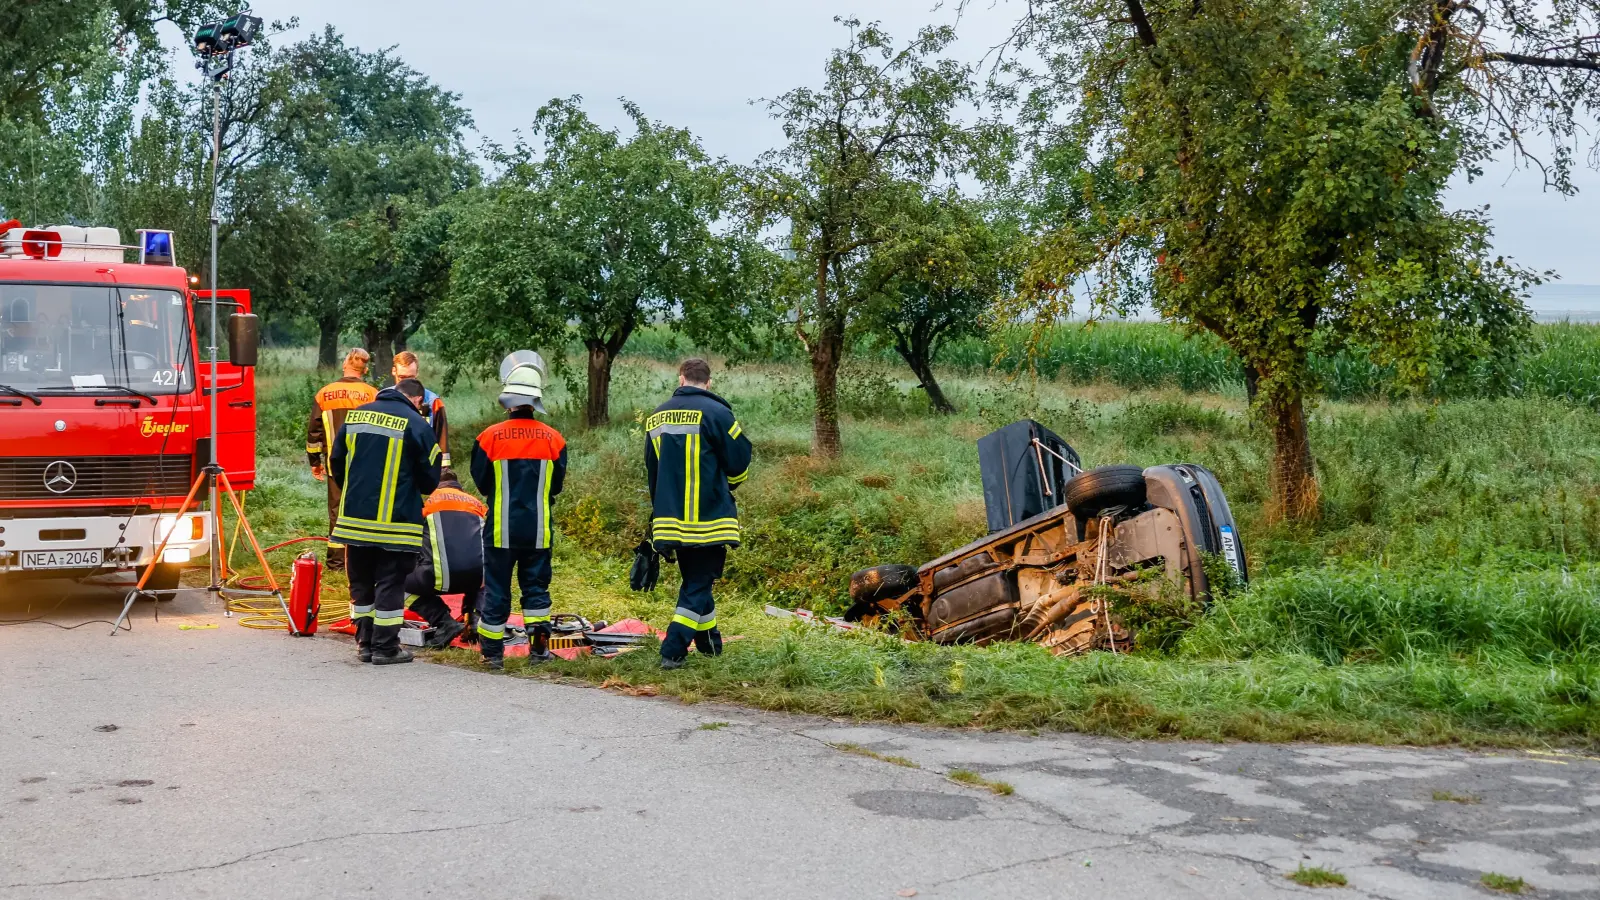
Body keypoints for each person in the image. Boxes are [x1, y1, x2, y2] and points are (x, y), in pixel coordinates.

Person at [645, 358, 752, 669]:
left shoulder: (656, 417)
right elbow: (739, 462)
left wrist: (659, 512)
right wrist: (729, 484)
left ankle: (710, 645)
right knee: (697, 586)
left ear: (681, 379)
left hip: (670, 520)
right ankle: (673, 651)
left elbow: (653, 471)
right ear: (709, 382)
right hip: (710, 519)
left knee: (696, 581)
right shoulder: (719, 413)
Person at [329, 380, 442, 665]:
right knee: (391, 582)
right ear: (417, 400)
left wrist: (356, 495)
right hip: (396, 525)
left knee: (361, 583)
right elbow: (430, 479)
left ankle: (365, 644)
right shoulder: (417, 424)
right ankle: (386, 648)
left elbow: (336, 462)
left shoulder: (356, 416)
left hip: (354, 522)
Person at [470, 351, 567, 670]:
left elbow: (482, 482)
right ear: (536, 400)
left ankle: (492, 655)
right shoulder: (555, 440)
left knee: (497, 591)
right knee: (536, 591)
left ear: (508, 399)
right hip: (538, 531)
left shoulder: (488, 438)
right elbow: (556, 486)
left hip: (500, 530)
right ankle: (538, 652)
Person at [307, 349, 377, 571]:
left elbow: (314, 432)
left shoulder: (325, 394)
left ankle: (337, 562)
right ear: (365, 369)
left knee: (337, 511)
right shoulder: (373, 395)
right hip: (366, 465)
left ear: (344, 364)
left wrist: (315, 462)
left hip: (334, 464)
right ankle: (362, 561)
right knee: (364, 510)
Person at [403, 466, 482, 649]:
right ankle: (474, 620)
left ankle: (444, 622)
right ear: (458, 485)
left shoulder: (427, 504)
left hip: (438, 578)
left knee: (395, 581)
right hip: (476, 578)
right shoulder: (477, 504)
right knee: (483, 573)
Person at [393, 350, 451, 468]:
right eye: (402, 377)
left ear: (417, 373)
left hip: (422, 468)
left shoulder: (433, 402)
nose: (406, 383)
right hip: (393, 466)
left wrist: (444, 471)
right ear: (394, 371)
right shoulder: (383, 398)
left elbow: (442, 440)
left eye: (411, 378)